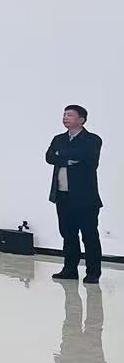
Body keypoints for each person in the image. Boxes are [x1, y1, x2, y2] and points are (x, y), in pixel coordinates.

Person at [47, 104, 103, 283]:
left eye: (70, 115)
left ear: (81, 119)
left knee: (89, 235)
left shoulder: (92, 139)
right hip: (63, 196)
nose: (65, 117)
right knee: (68, 234)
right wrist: (69, 158)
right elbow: (49, 157)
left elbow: (88, 159)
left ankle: (93, 272)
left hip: (85, 197)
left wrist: (61, 155)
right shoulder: (58, 138)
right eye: (64, 114)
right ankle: (69, 269)